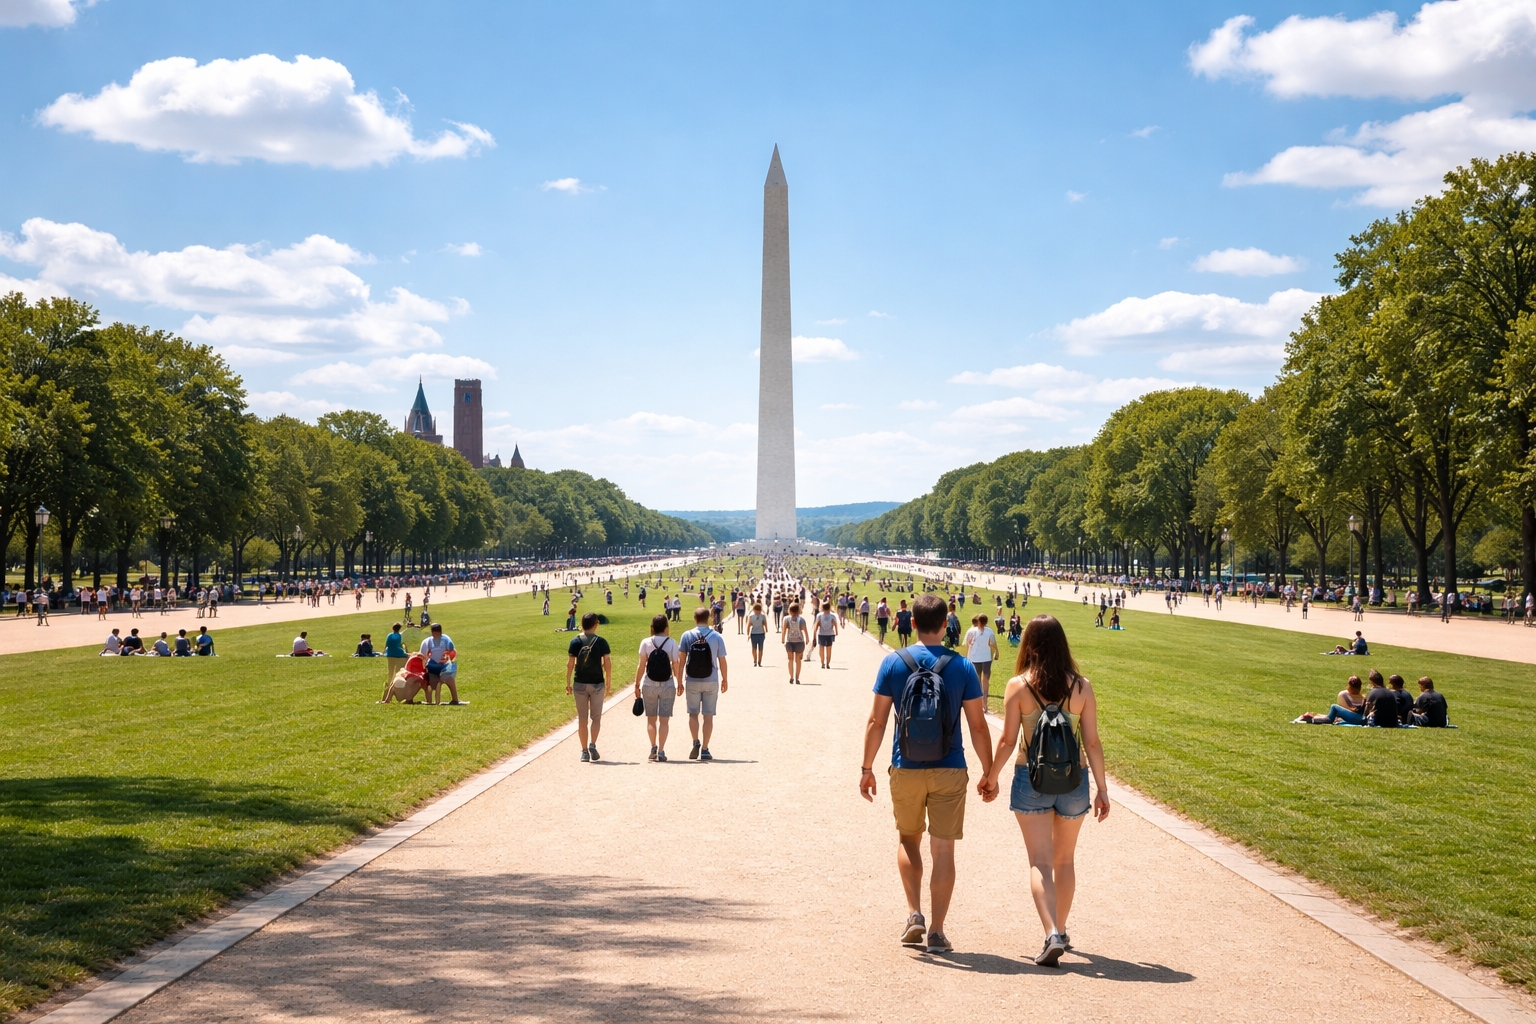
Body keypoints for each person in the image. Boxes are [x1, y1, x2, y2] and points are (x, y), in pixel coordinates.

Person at [860, 593, 994, 955]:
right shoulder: (963, 666)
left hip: (906, 765)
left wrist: (867, 767)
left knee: (908, 838)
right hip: (950, 766)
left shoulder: (893, 662)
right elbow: (979, 726)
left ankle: (914, 913)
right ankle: (937, 931)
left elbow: (876, 720)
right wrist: (989, 771)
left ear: (913, 623)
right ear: (946, 623)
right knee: (944, 850)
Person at [980, 614, 1109, 965]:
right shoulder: (1082, 686)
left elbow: (1008, 740)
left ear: (1029, 645)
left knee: (1040, 862)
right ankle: (1062, 928)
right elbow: (1093, 743)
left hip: (1030, 778)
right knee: (1065, 860)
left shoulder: (1018, 685)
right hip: (1074, 779)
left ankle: (1051, 931)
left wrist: (990, 776)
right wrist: (1102, 789)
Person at [677, 606, 729, 760]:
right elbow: (722, 660)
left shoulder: (687, 635)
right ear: (710, 618)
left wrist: (679, 681)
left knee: (693, 713)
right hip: (711, 679)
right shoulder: (716, 636)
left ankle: (695, 741)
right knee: (708, 716)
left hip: (692, 679)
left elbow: (681, 661)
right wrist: (725, 679)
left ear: (695, 618)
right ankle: (705, 748)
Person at [566, 612, 612, 762]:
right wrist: (609, 681)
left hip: (579, 683)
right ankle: (593, 744)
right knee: (596, 717)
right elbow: (607, 664)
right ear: (596, 624)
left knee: (582, 719)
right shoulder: (602, 642)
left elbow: (570, 664)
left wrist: (568, 682)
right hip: (597, 683)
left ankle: (584, 751)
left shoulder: (575, 641)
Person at [633, 614, 678, 762]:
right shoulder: (671, 643)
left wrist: (637, 683)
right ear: (666, 627)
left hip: (649, 683)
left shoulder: (645, 642)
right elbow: (675, 665)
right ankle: (662, 750)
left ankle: (653, 746)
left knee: (651, 720)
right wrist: (680, 682)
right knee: (664, 720)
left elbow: (641, 666)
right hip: (667, 684)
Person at [420, 623, 462, 705]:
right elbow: (425, 654)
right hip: (432, 666)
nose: (434, 634)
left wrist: (447, 658)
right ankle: (429, 701)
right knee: (430, 682)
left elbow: (451, 650)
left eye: (436, 632)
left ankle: (455, 699)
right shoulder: (428, 641)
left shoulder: (445, 639)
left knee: (449, 679)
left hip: (444, 666)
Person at [963, 614, 999, 692]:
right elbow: (992, 643)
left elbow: (967, 643)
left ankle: (979, 691)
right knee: (985, 676)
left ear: (978, 621)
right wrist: (996, 652)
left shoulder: (971, 631)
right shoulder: (989, 631)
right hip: (985, 657)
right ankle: (983, 692)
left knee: (978, 675)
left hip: (976, 657)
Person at [781, 601, 809, 684]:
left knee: (790, 660)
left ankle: (791, 677)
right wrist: (807, 639)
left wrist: (783, 639)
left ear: (789, 610)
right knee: (798, 661)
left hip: (790, 641)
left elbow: (784, 630)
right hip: (800, 642)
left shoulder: (786, 619)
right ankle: (797, 678)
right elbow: (805, 630)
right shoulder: (801, 620)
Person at [383, 624, 408, 694]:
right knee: (399, 670)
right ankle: (396, 683)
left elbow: (386, 645)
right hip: (399, 654)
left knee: (390, 670)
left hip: (390, 654)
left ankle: (389, 682)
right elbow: (402, 645)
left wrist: (384, 651)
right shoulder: (400, 636)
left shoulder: (389, 635)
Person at [815, 601, 840, 669]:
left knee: (821, 650)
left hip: (821, 634)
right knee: (829, 650)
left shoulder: (819, 616)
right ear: (829, 607)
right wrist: (836, 632)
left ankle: (822, 663)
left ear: (822, 608)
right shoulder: (832, 616)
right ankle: (828, 663)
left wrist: (814, 634)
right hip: (830, 634)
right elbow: (835, 624)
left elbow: (816, 626)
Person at [748, 601, 768, 667]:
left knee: (760, 648)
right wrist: (748, 634)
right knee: (754, 648)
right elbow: (749, 625)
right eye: (756, 610)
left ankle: (759, 661)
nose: (757, 612)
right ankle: (755, 660)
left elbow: (765, 623)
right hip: (753, 633)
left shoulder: (762, 616)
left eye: (758, 610)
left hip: (761, 633)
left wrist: (766, 629)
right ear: (754, 610)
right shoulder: (751, 616)